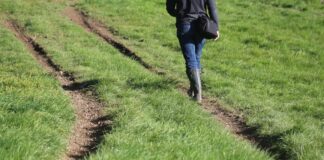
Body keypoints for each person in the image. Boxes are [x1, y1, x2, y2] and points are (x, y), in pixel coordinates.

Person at [166, 0, 219, 103]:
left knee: (191, 60)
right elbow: (213, 9)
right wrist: (215, 28)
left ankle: (197, 94)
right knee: (196, 58)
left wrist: (179, 14)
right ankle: (194, 90)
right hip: (202, 26)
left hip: (184, 24)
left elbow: (170, 7)